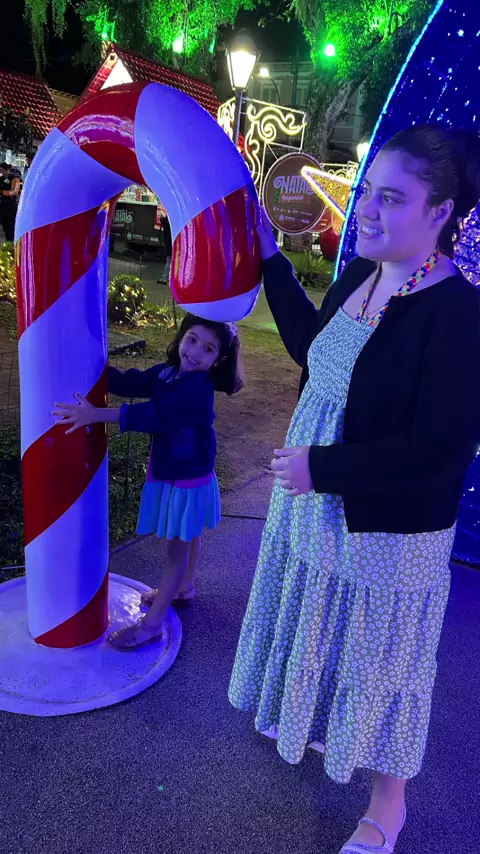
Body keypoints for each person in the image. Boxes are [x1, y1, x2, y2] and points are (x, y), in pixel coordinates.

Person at [229, 124, 480, 854]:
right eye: (368, 191)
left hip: (386, 528)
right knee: (322, 625)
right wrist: (271, 258)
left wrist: (323, 470)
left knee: (382, 662)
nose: (365, 209)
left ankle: (386, 807)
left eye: (391, 198)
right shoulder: (365, 272)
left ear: (441, 212)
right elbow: (314, 349)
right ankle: (315, 726)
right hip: (315, 506)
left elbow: (441, 451)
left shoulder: (458, 315)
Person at [53, 315, 243, 651]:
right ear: (182, 336)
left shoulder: (197, 389)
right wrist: (95, 368)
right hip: (183, 469)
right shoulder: (169, 373)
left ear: (218, 359)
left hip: (187, 477)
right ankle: (184, 588)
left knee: (177, 549)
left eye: (208, 348)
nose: (195, 352)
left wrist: (95, 415)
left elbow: (154, 416)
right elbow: (133, 382)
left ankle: (152, 624)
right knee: (189, 533)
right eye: (192, 339)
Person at [0, 162, 20, 242]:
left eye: (2, 170)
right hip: (2, 205)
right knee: (4, 224)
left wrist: (4, 192)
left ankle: (11, 242)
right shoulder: (1, 179)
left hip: (10, 205)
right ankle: (8, 242)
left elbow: (15, 192)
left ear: (7, 169)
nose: (1, 172)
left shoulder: (14, 179)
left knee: (10, 226)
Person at [158, 214, 172, 284]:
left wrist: (161, 218)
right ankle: (165, 277)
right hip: (171, 242)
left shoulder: (170, 216)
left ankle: (165, 278)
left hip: (169, 242)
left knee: (169, 261)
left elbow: (165, 222)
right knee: (169, 261)